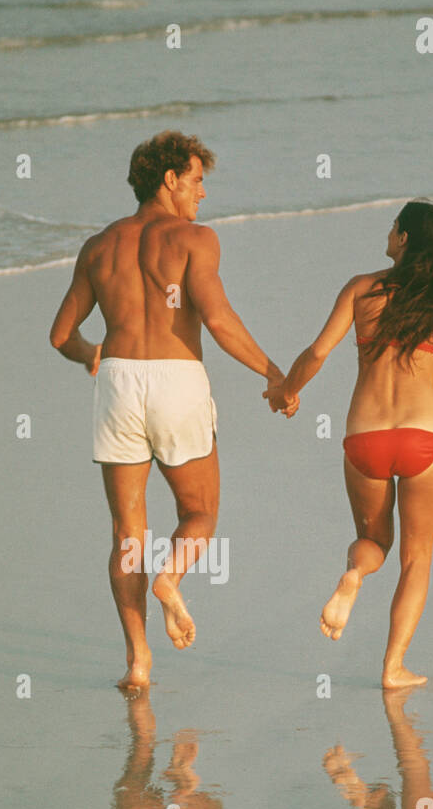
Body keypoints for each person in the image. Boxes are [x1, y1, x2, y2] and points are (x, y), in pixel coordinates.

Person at [50, 131, 291, 692]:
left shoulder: (98, 246)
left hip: (117, 383)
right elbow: (218, 319)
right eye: (197, 180)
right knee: (200, 511)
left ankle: (137, 661)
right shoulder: (194, 240)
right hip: (176, 379)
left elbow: (62, 334)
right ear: (170, 179)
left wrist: (93, 354)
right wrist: (274, 374)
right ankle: (171, 579)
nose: (202, 194)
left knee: (127, 532)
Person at [267, 200, 433, 688]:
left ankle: (354, 575)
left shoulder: (362, 290)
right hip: (424, 440)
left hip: (365, 438)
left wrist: (288, 391)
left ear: (405, 240)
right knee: (417, 556)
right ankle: (393, 667)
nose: (389, 231)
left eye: (394, 226)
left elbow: (317, 352)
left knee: (374, 541)